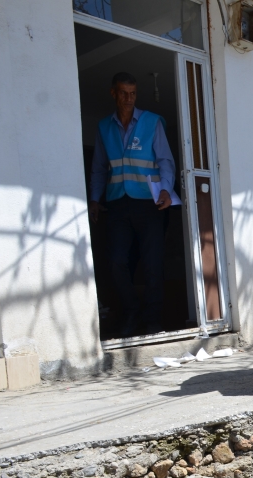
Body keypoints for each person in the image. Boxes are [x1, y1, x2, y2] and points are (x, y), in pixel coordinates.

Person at [90, 72, 176, 337]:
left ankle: (152, 320)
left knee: (152, 262)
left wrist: (165, 190)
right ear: (114, 94)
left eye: (133, 93)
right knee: (117, 261)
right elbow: (99, 168)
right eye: (123, 93)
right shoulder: (104, 127)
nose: (129, 99)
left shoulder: (152, 122)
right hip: (117, 203)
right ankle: (131, 311)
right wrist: (94, 199)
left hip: (149, 204)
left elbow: (165, 161)